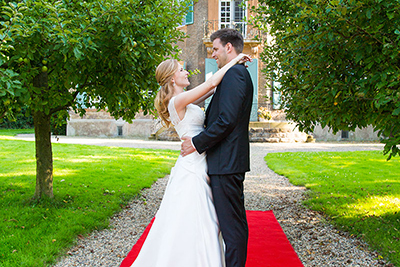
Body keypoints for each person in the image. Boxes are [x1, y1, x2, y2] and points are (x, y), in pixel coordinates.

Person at [128, 51, 251, 267]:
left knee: (208, 219)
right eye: (181, 70)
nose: (187, 72)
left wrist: (233, 71)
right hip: (193, 166)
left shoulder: (184, 99)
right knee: (197, 218)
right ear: (172, 78)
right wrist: (235, 59)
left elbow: (214, 88)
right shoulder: (177, 100)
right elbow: (212, 81)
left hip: (201, 160)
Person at [180, 28, 254, 267]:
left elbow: (226, 120)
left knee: (232, 230)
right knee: (232, 226)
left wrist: (196, 143)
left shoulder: (235, 76)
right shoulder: (232, 73)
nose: (212, 53)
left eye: (215, 48)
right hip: (226, 161)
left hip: (226, 163)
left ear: (228, 48)